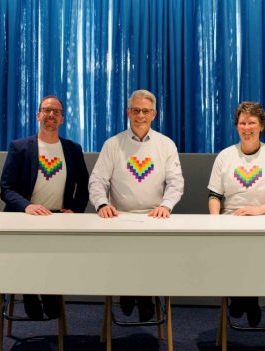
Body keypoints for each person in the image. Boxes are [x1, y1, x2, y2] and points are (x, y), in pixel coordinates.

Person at [88, 89, 184, 321]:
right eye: (136, 110)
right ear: (128, 112)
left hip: (155, 218)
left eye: (146, 111)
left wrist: (166, 205)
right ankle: (127, 293)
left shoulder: (166, 145)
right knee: (124, 263)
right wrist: (101, 204)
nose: (141, 115)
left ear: (154, 114)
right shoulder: (113, 144)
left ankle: (144, 297)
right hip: (118, 218)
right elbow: (97, 180)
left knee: (150, 262)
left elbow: (175, 182)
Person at [207, 101, 265, 326]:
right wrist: (215, 222)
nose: (247, 127)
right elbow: (214, 195)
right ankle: (248, 300)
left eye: (252, 123)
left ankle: (243, 299)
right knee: (235, 254)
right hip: (232, 224)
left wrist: (258, 211)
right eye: (242, 123)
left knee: (255, 257)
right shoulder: (225, 156)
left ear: (262, 126)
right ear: (236, 126)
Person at [0, 95, 89, 319]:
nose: (51, 115)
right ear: (38, 115)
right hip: (25, 218)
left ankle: (49, 295)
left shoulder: (72, 149)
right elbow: (6, 188)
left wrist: (75, 210)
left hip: (59, 219)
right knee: (28, 259)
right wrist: (27, 206)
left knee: (53, 263)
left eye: (56, 112)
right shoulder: (20, 147)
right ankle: (30, 295)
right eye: (46, 110)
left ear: (62, 119)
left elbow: (84, 187)